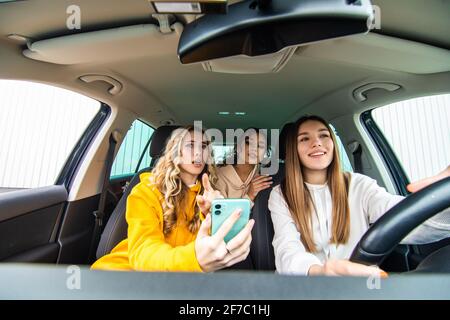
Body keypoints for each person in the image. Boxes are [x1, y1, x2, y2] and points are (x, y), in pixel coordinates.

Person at [269, 115, 450, 277]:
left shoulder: (359, 184)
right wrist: (319, 272)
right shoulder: (280, 194)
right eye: (304, 138)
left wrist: (442, 201)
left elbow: (399, 218)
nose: (317, 142)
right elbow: (287, 246)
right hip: (301, 286)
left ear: (332, 143)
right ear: (294, 149)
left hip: (353, 285)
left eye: (324, 135)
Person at [92, 126, 254, 272]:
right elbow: (144, 253)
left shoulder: (210, 197)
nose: (198, 152)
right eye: (190, 145)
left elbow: (215, 248)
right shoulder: (146, 190)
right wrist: (194, 259)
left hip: (184, 279)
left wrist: (211, 216)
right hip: (126, 274)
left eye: (203, 146)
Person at [215, 128, 273, 206]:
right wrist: (250, 195)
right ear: (238, 146)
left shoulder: (265, 176)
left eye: (260, 146)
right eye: (248, 143)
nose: (254, 149)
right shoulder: (219, 176)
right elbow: (220, 214)